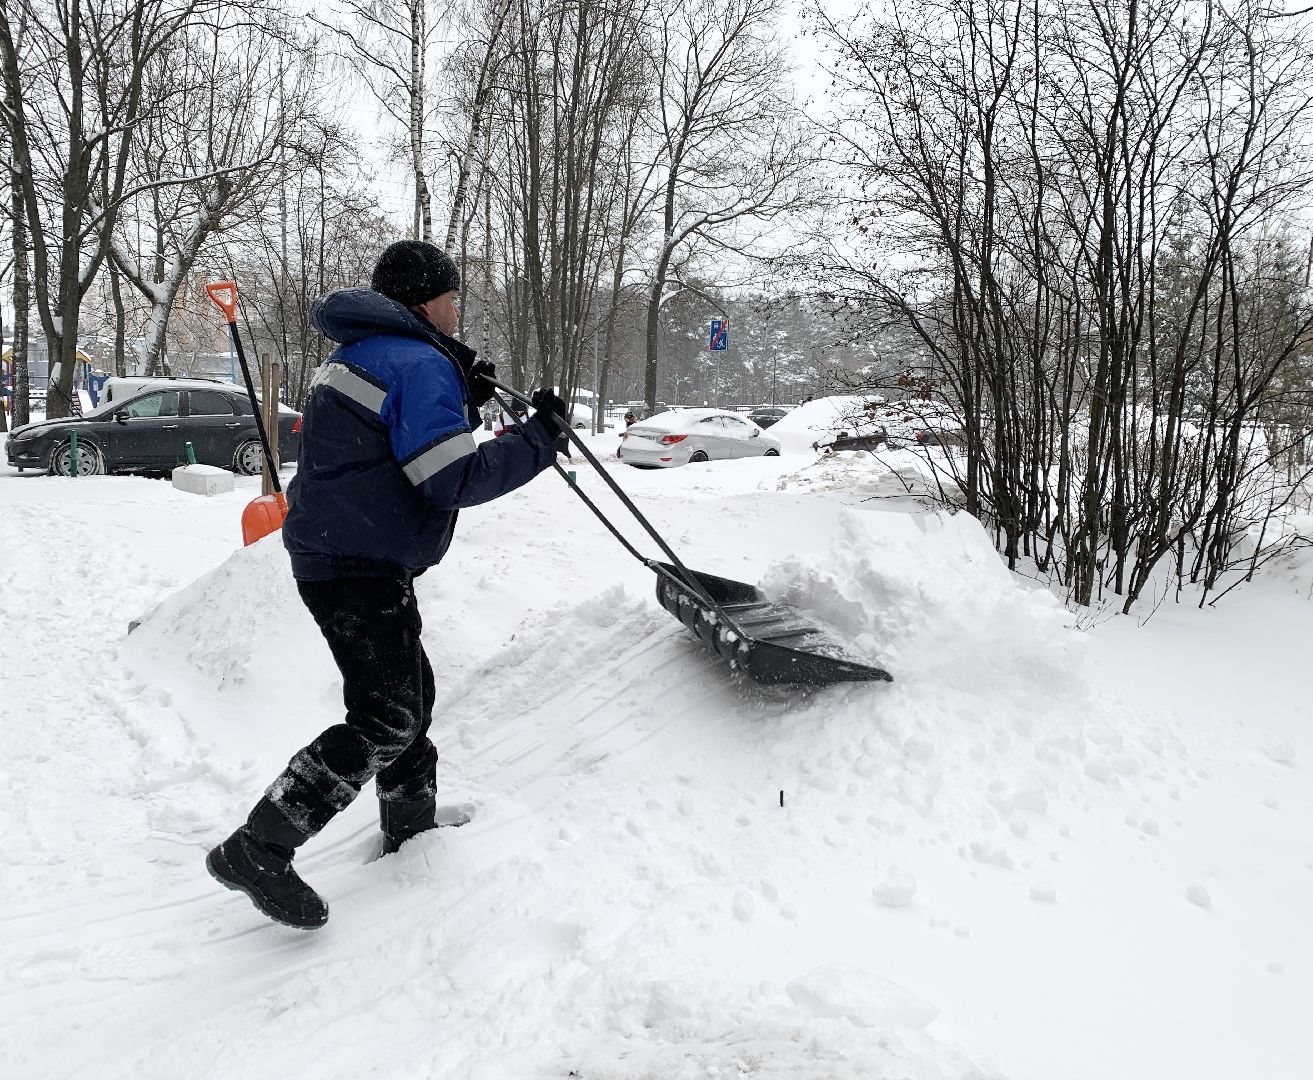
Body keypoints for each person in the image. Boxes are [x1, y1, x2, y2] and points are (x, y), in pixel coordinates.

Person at [205, 240, 567, 929]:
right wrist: (537, 442)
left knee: (411, 700)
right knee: (387, 716)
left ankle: (411, 829)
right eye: (452, 298)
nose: (457, 309)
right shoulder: (417, 361)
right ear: (427, 300)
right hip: (356, 562)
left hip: (344, 553)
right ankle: (260, 847)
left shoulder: (363, 351)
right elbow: (449, 477)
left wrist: (461, 386)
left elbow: (384, 436)